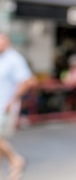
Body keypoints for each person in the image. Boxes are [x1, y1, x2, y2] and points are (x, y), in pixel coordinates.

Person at [0, 33, 36, 180]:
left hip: (6, 106)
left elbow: (28, 81)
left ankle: (16, 160)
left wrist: (12, 100)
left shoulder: (14, 58)